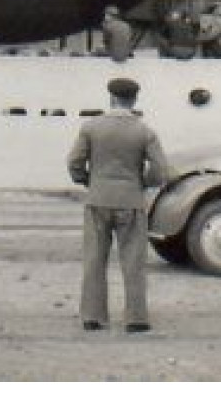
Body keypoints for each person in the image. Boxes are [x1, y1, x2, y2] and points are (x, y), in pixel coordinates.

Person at [67, 77, 170, 334]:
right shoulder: (144, 131)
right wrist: (141, 184)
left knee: (94, 260)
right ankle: (136, 318)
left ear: (111, 98)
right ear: (134, 100)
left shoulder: (91, 127)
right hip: (131, 202)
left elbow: (74, 163)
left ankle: (93, 317)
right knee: (133, 262)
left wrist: (88, 181)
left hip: (98, 200)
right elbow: (160, 171)